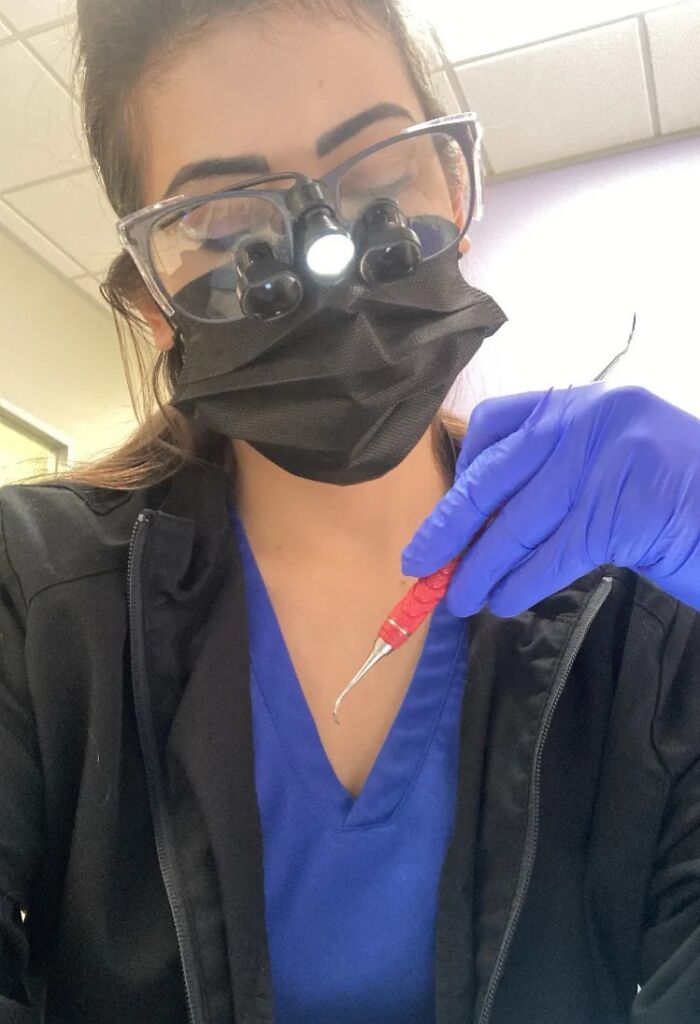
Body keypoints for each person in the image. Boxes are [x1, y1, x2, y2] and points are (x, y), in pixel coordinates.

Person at [1, 1, 699, 1022]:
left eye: (378, 180)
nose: (326, 255)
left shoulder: (630, 593)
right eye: (233, 227)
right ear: (154, 306)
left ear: (454, 190)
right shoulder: (33, 596)